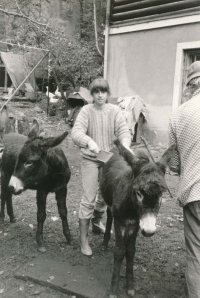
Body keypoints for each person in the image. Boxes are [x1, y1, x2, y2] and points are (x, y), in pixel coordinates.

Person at [71, 77, 132, 256]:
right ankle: (83, 240)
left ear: (107, 93)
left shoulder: (114, 111)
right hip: (90, 158)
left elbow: (123, 131)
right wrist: (88, 141)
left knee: (105, 197)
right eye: (96, 92)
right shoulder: (86, 111)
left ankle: (97, 221)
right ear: (92, 94)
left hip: (109, 159)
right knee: (89, 198)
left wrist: (125, 144)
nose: (99, 95)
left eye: (103, 92)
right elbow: (76, 132)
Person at [168, 61, 200, 298]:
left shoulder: (178, 114)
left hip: (194, 192)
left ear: (190, 85)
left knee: (195, 253)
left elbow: (175, 164)